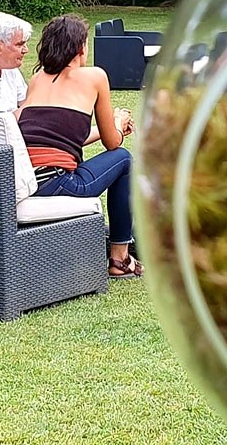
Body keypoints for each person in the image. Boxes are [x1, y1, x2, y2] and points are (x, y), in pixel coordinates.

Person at [19, 14, 139, 278]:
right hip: (60, 183)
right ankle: (120, 258)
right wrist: (119, 123)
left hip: (28, 181)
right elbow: (112, 142)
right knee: (124, 159)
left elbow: (60, 138)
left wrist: (109, 127)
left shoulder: (38, 79)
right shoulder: (94, 76)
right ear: (80, 48)